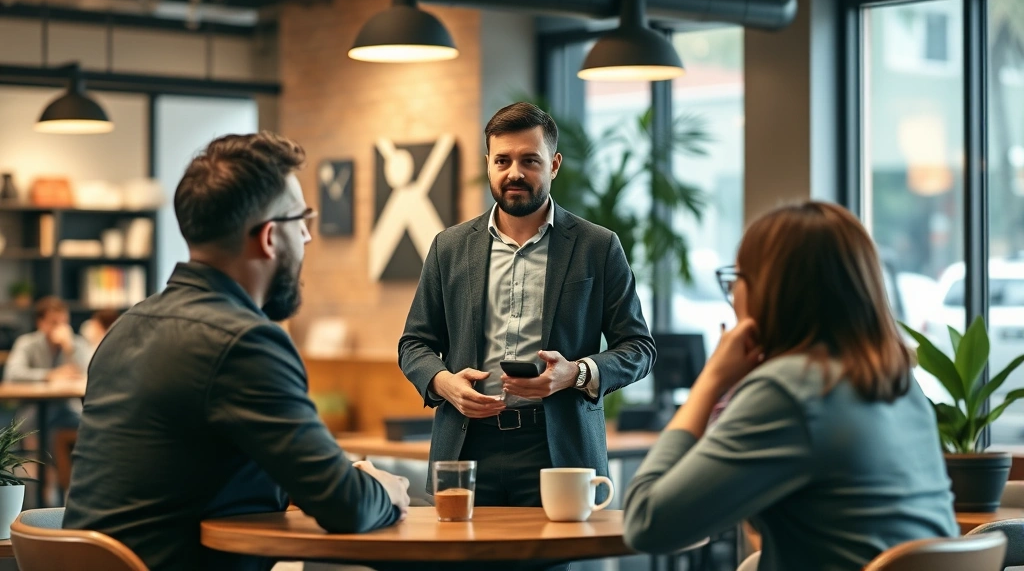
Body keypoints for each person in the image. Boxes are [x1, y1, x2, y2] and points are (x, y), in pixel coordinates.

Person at [63, 131, 410, 571]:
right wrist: (385, 490)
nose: (306, 237)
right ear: (268, 237)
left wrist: (342, 478)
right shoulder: (245, 342)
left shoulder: (127, 327)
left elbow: (213, 473)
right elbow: (348, 508)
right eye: (301, 220)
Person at [623, 201, 958, 570]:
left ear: (768, 292)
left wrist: (711, 380)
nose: (733, 294)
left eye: (738, 279)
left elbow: (646, 523)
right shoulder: (900, 386)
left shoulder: (790, 391)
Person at [399, 102, 656, 508]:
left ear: (553, 165)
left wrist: (575, 373)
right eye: (502, 160)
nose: (514, 172)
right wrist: (444, 383)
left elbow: (639, 348)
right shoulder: (448, 247)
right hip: (467, 448)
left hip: (557, 451)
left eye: (529, 160)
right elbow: (414, 344)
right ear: (488, 163)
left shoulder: (598, 247)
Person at [3, 296, 88, 383]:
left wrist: (69, 348)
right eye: (54, 322)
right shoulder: (26, 342)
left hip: (67, 396)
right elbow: (12, 374)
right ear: (40, 323)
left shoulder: (78, 343)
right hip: (35, 396)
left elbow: (89, 374)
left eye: (64, 322)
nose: (60, 327)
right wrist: (49, 375)